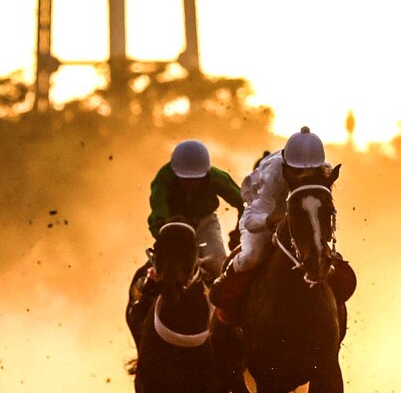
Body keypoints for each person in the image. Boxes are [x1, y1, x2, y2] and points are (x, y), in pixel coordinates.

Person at [211, 127, 355, 322]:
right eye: (298, 170)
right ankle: (227, 280)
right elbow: (250, 220)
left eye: (310, 170)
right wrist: (271, 219)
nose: (304, 174)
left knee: (323, 254)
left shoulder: (324, 172)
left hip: (300, 220)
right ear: (288, 166)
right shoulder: (272, 174)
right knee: (252, 257)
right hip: (264, 212)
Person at [147, 140, 244, 281]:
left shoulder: (215, 177)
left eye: (196, 179)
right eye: (185, 179)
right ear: (175, 173)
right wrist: (162, 231)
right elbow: (158, 210)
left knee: (219, 265)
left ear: (205, 173)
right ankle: (141, 300)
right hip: (174, 227)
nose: (190, 184)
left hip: (205, 224)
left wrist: (239, 232)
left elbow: (243, 202)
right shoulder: (164, 178)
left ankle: (223, 302)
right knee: (160, 271)